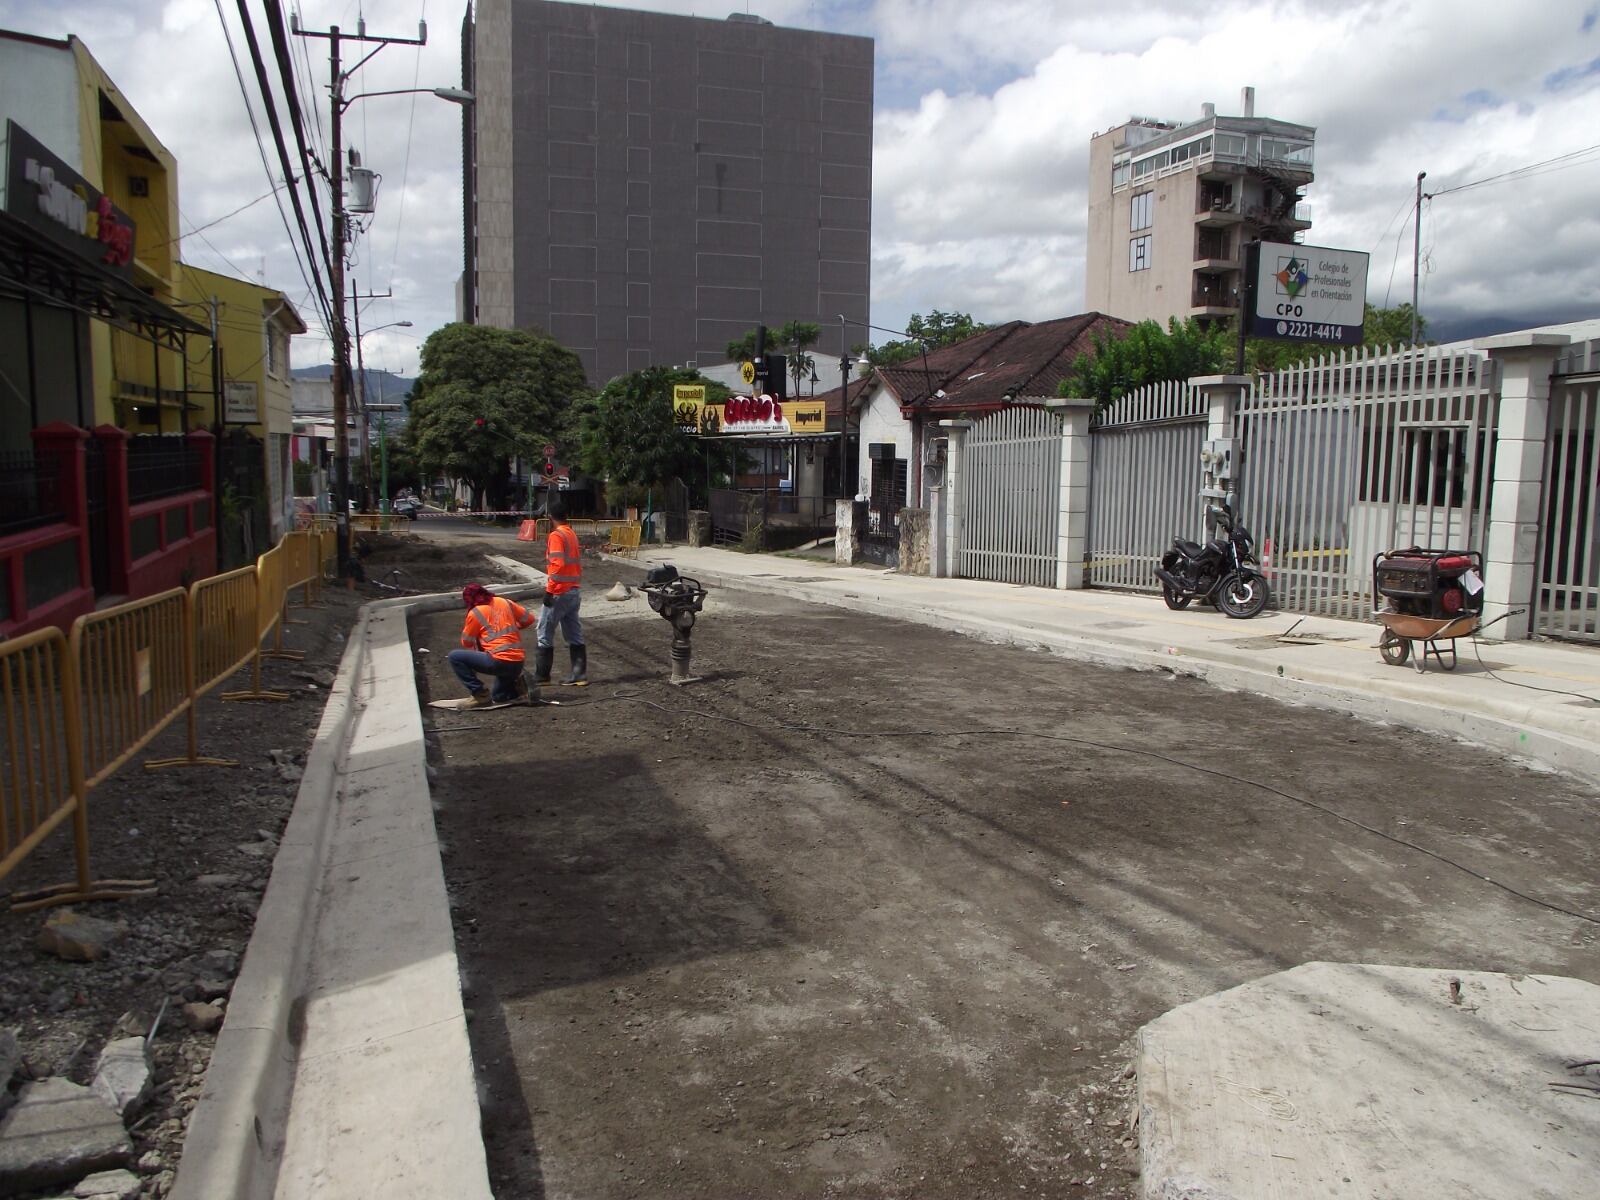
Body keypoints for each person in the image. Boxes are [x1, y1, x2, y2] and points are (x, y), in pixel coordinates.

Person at [448, 583, 534, 707]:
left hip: (499, 662)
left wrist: (480, 637)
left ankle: (479, 694)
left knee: (454, 656)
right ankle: (519, 689)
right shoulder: (505, 602)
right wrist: (512, 629)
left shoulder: (476, 612)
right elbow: (529, 619)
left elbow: (466, 642)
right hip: (517, 662)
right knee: (498, 697)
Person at [534, 497, 587, 686]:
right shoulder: (571, 533)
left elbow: (557, 564)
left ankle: (542, 676)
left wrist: (549, 590)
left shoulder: (556, 535)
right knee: (574, 633)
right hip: (573, 591)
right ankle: (579, 675)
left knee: (544, 630)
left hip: (559, 592)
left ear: (550, 517)